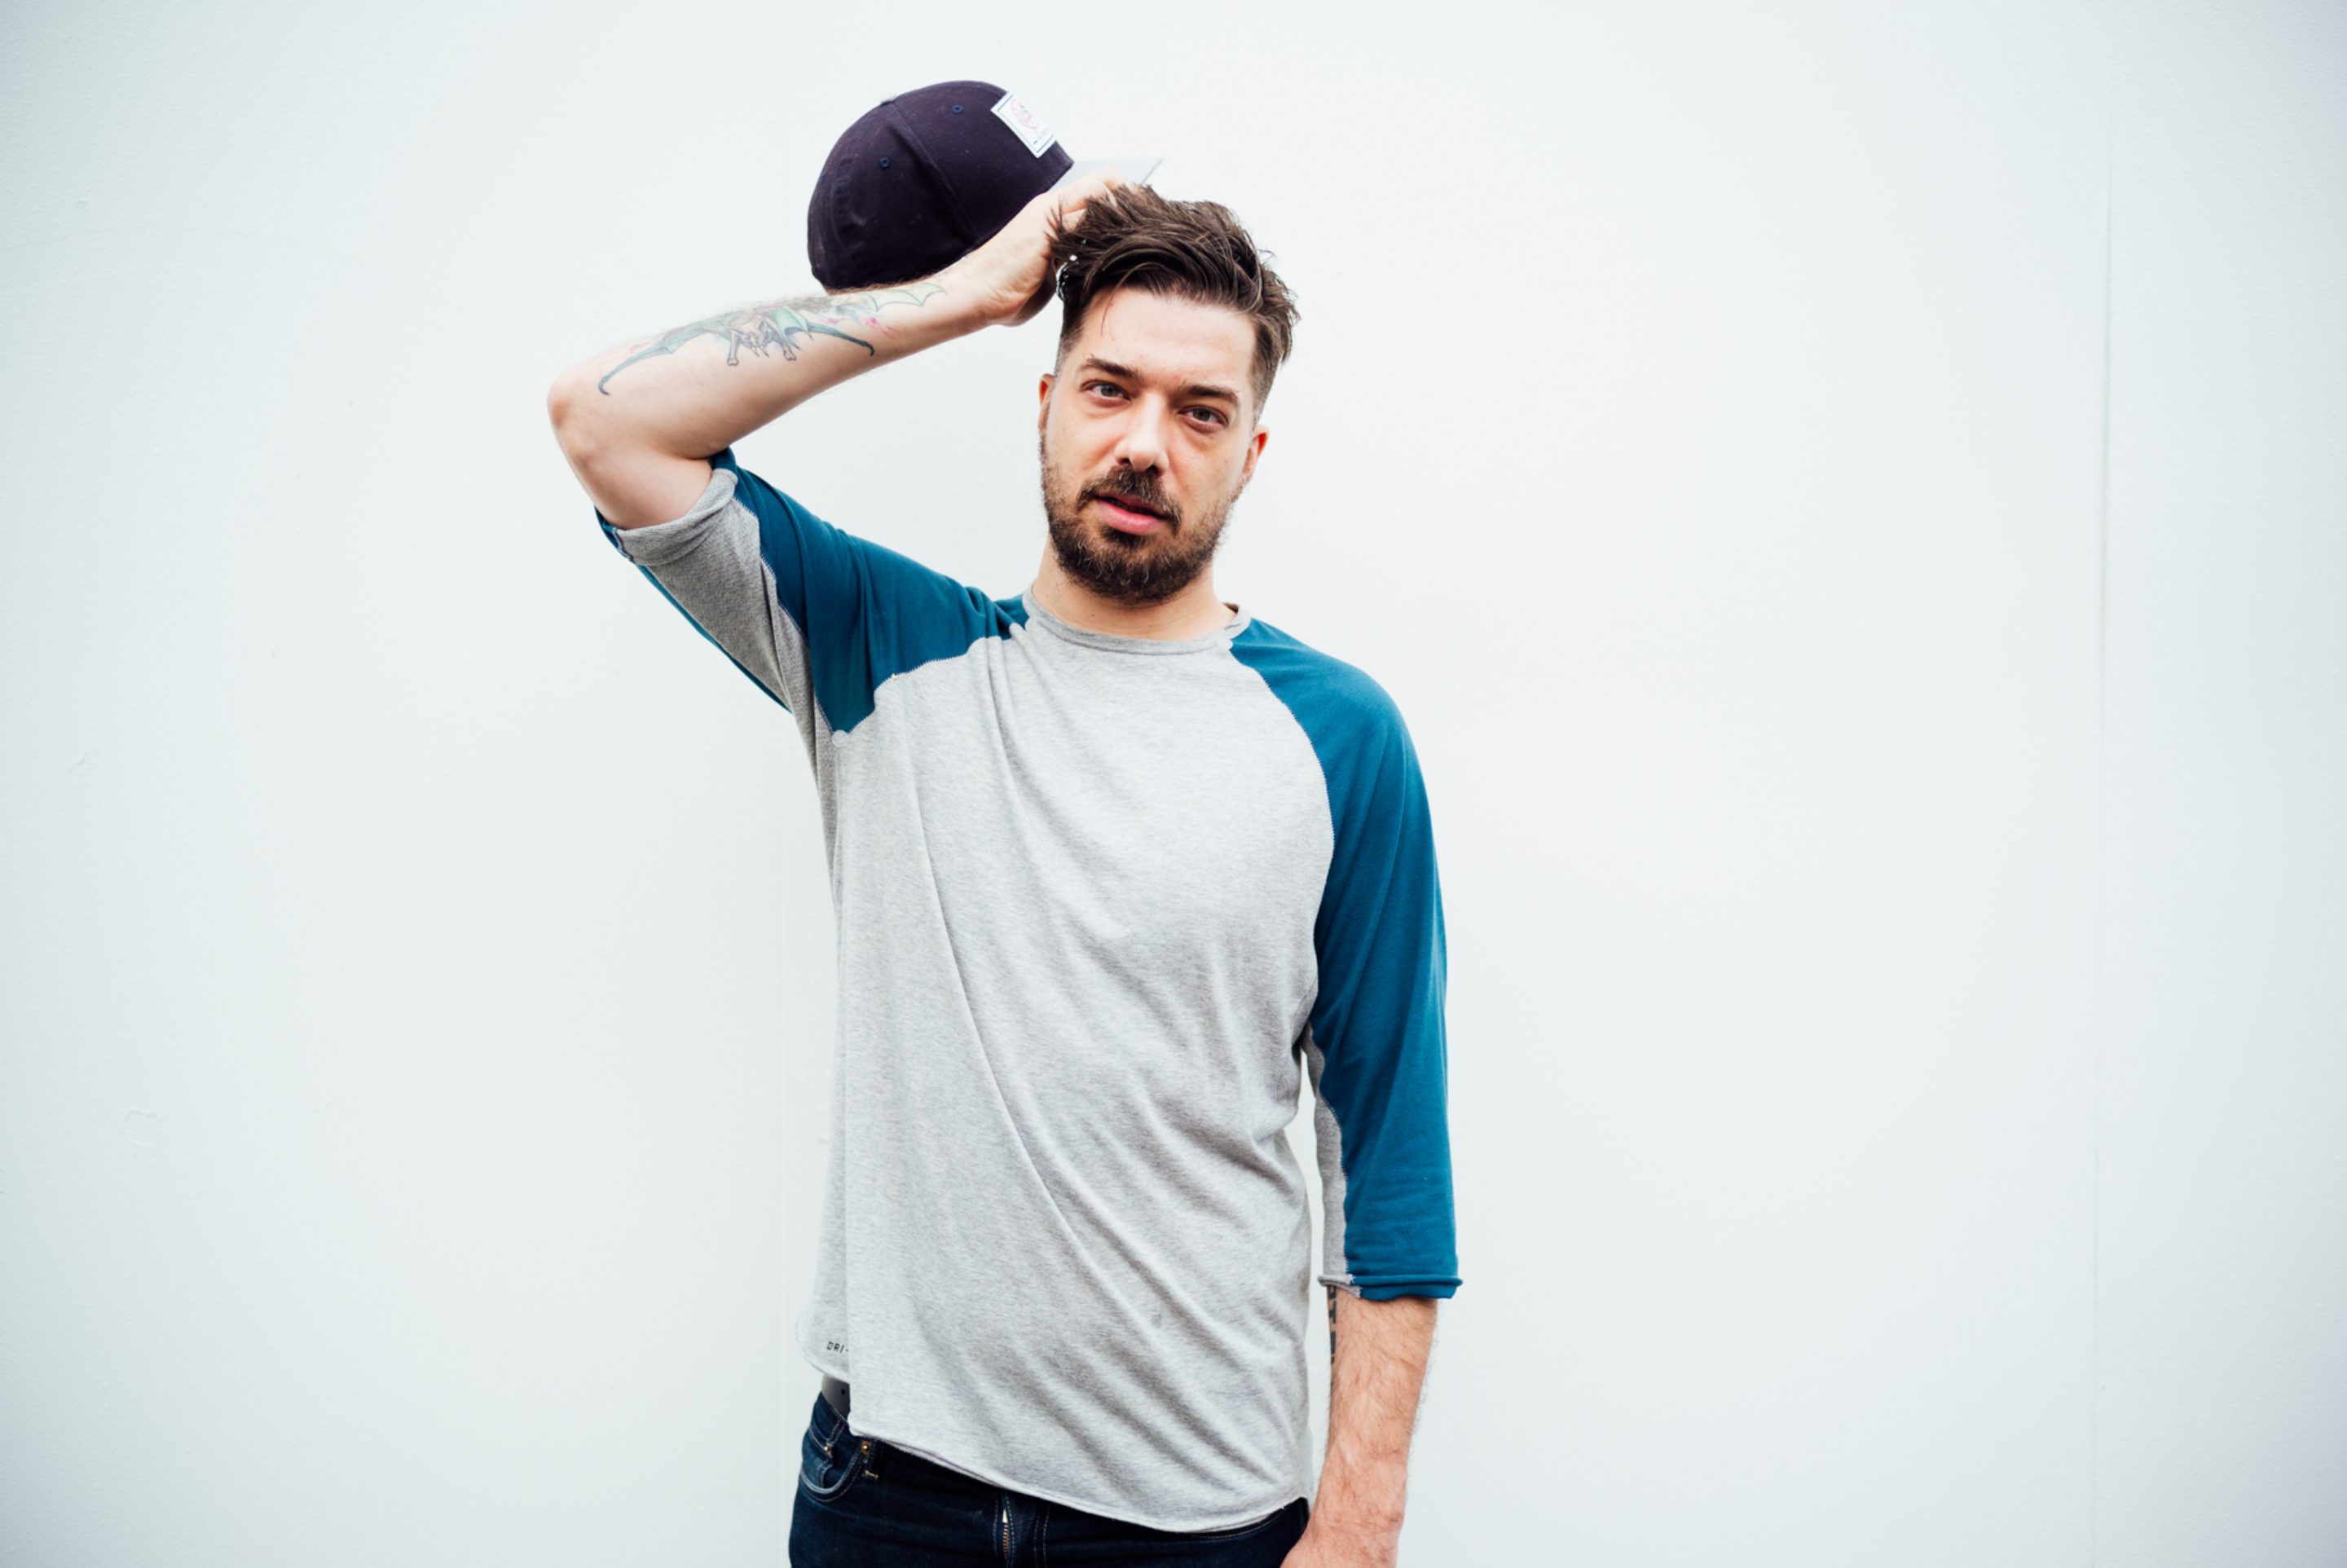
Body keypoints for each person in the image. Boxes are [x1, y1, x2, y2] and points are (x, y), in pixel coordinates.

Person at [545, 171, 1460, 1567]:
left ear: (1252, 452)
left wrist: (1359, 1526)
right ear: (1044, 402)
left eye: (1199, 411)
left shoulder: (1341, 737)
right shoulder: (883, 651)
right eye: (1110, 389)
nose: (1146, 442)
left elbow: (1388, 1159)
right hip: (889, 1498)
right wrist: (962, 294)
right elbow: (604, 422)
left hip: (1197, 1521)